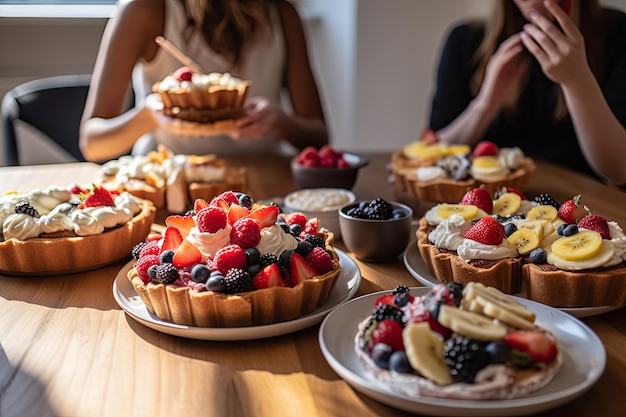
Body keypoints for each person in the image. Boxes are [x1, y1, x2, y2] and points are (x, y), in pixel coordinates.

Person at [79, 0, 328, 162]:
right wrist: (150, 115)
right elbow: (93, 144)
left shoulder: (282, 16)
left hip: (265, 187)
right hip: (170, 183)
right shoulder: (145, 10)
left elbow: (320, 136)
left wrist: (281, 122)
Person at [427, 0, 626, 187]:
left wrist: (578, 82)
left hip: (582, 211)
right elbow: (429, 158)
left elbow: (619, 171)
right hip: (484, 210)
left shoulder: (617, 35)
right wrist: (485, 105)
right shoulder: (465, 40)